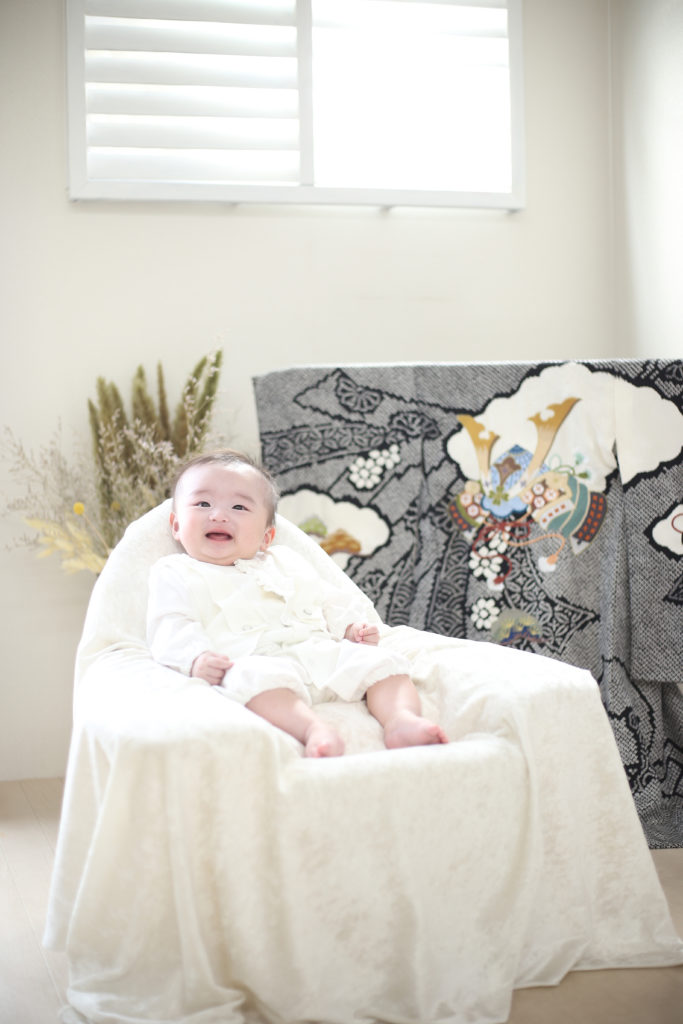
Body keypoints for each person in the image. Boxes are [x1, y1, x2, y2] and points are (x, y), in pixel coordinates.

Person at [147, 450, 447, 757]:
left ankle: (400, 720)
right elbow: (171, 624)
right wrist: (195, 659)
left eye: (239, 507)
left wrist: (350, 629)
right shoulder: (175, 571)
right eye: (203, 504)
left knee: (384, 663)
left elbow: (328, 597)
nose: (219, 515)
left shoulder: (285, 560)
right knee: (248, 678)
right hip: (255, 659)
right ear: (176, 526)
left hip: (319, 652)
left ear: (266, 537)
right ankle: (313, 729)